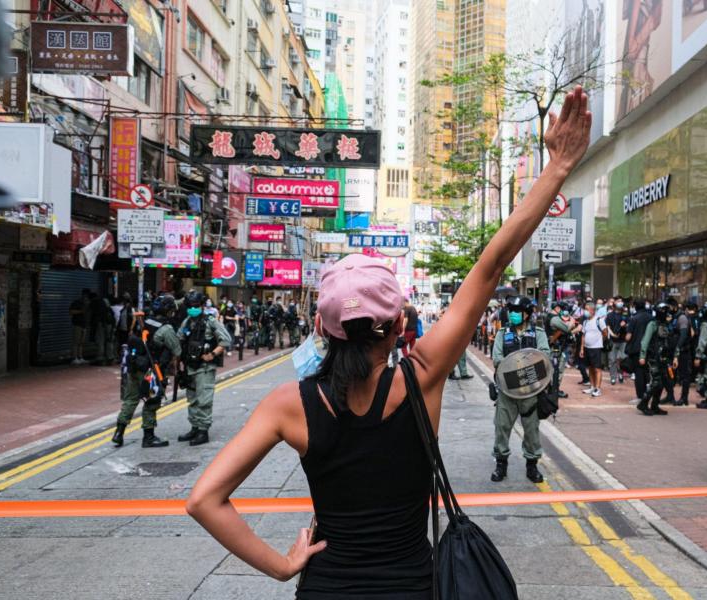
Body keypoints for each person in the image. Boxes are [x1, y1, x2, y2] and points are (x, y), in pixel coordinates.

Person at [184, 86, 592, 595]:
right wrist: (557, 166)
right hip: (414, 588)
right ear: (401, 326)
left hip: (327, 589)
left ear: (321, 329)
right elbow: (490, 268)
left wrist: (282, 565)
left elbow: (203, 500)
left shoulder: (289, 404)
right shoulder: (422, 377)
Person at [489, 295, 551, 484]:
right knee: (502, 427)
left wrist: (521, 364)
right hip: (507, 390)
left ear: (527, 314)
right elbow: (497, 358)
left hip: (531, 391)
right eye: (512, 311)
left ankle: (532, 465)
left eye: (517, 311)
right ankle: (501, 464)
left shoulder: (538, 333)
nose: (513, 314)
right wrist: (523, 363)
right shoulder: (502, 333)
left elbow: (544, 356)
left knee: (532, 430)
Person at [112, 294, 182, 448]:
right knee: (151, 401)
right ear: (168, 311)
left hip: (135, 366)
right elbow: (177, 350)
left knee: (130, 400)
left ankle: (119, 433)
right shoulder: (166, 329)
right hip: (151, 371)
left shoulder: (144, 321)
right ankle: (148, 437)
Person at [178, 290, 233, 446]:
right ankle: (194, 427)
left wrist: (213, 355)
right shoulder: (187, 322)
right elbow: (179, 339)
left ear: (201, 306)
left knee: (204, 400)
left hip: (205, 368)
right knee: (192, 399)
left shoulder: (210, 321)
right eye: (190, 306)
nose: (192, 308)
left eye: (195, 306)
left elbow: (226, 340)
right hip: (190, 366)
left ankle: (203, 430)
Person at [637, 302, 675, 416]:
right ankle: (643, 403)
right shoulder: (652, 324)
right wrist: (642, 356)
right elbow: (645, 341)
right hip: (653, 357)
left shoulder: (666, 325)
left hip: (664, 358)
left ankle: (655, 405)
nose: (666, 313)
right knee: (656, 382)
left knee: (662, 382)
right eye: (664, 311)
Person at [545, 302, 580, 398]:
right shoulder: (554, 318)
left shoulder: (550, 316)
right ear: (557, 308)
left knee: (554, 368)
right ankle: (554, 390)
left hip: (555, 346)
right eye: (562, 309)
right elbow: (566, 328)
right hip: (555, 347)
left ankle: (552, 389)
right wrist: (572, 321)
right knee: (558, 369)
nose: (564, 311)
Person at [625, 299, 653, 403]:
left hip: (637, 349)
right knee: (647, 372)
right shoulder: (651, 318)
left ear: (635, 307)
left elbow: (628, 337)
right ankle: (647, 394)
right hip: (649, 348)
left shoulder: (634, 319)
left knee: (639, 373)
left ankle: (640, 396)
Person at [673, 302, 697, 406]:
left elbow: (685, 335)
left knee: (685, 375)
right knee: (684, 375)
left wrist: (677, 348)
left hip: (684, 351)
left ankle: (684, 398)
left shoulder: (682, 318)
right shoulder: (686, 318)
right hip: (685, 349)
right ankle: (683, 397)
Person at [579, 302, 604, 397]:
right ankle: (592, 386)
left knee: (597, 368)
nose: (585, 311)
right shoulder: (585, 321)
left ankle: (598, 389)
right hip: (587, 348)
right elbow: (583, 336)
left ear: (592, 310)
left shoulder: (599, 320)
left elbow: (605, 332)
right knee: (590, 368)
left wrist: (599, 341)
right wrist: (582, 348)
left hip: (596, 348)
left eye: (587, 309)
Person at [605, 298, 627, 385]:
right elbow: (607, 326)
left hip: (623, 340)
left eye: (621, 301)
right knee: (612, 359)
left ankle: (621, 373)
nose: (620, 303)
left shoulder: (625, 314)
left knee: (622, 358)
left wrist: (625, 325)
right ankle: (613, 377)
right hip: (613, 341)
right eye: (618, 301)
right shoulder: (610, 315)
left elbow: (630, 325)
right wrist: (612, 334)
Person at [69, 288, 90, 364]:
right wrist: (81, 311)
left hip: (84, 325)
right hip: (77, 324)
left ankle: (80, 357)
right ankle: (74, 358)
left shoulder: (87, 303)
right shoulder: (77, 302)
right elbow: (71, 312)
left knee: (81, 342)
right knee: (76, 341)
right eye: (86, 295)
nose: (86, 297)